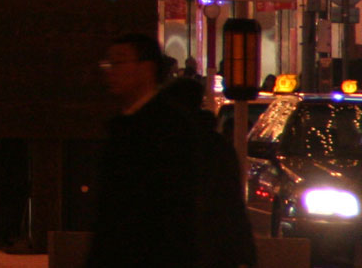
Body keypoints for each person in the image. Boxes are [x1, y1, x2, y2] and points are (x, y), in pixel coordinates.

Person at [85, 34, 252, 268]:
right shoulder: (124, 125)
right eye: (108, 63)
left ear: (147, 68)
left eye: (119, 62)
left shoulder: (169, 129)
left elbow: (177, 213)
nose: (111, 71)